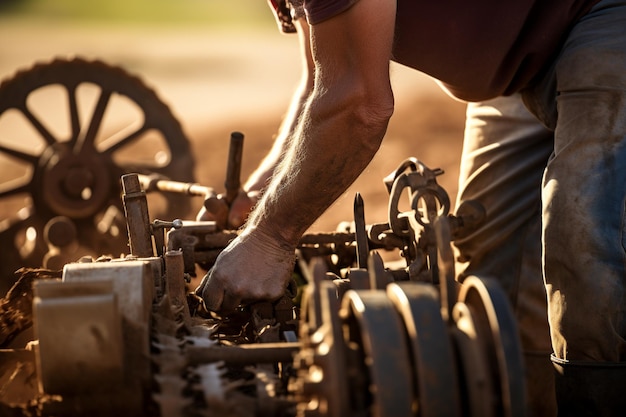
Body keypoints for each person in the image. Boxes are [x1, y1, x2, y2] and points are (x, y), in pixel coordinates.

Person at [196, 1, 626, 415]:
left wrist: (270, 237)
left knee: (585, 239)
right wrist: (261, 198)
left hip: (604, 17)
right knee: (490, 269)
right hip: (517, 67)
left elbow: (361, 105)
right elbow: (322, 82)